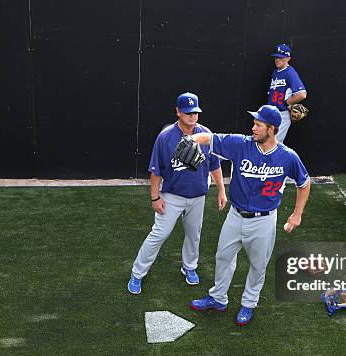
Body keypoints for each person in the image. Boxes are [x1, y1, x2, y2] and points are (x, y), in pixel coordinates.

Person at [187, 105, 311, 325]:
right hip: (235, 216)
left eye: (258, 124)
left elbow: (304, 182)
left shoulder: (287, 156)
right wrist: (192, 140)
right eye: (254, 123)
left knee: (258, 265)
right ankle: (218, 298)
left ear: (271, 129)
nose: (253, 128)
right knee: (223, 257)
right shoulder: (240, 144)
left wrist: (296, 215)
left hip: (264, 220)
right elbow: (211, 137)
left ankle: (248, 304)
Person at [127, 92, 227, 294]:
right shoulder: (165, 138)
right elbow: (156, 170)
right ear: (178, 112)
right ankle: (137, 273)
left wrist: (221, 191)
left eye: (195, 112)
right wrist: (155, 197)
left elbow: (215, 165)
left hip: (198, 196)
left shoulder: (206, 134)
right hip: (172, 196)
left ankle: (189, 267)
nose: (192, 116)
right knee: (159, 234)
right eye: (188, 112)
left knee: (193, 235)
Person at [267, 43, 307, 144]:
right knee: (265, 143)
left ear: (288, 58)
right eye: (276, 57)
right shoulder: (275, 72)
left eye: (281, 57)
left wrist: (286, 103)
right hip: (271, 113)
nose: (277, 60)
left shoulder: (290, 72)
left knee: (272, 145)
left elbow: (302, 94)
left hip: (282, 114)